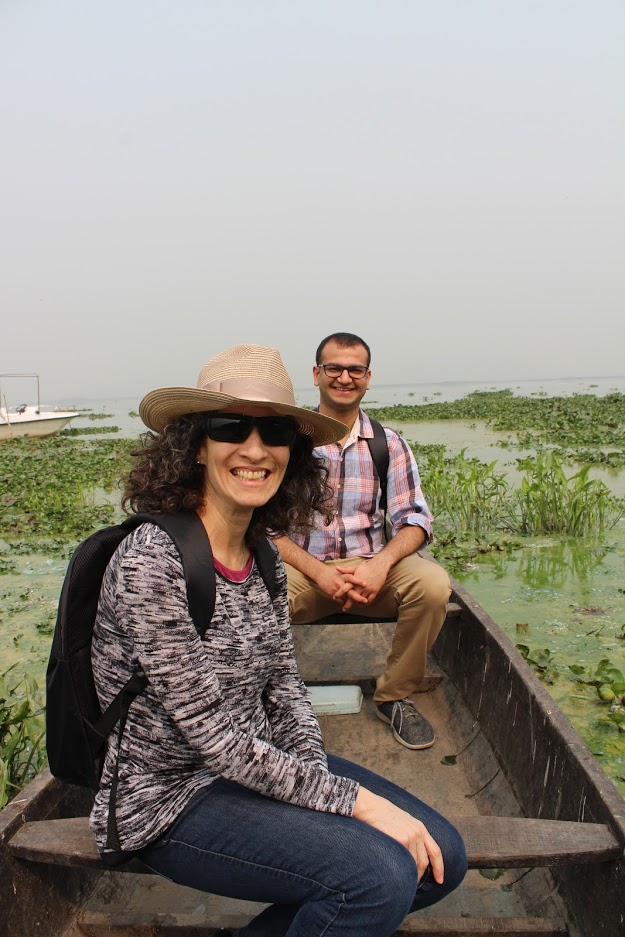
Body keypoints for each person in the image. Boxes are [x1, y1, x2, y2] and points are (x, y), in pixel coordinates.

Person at [90, 343, 466, 937]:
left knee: (443, 859)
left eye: (274, 433)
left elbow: (284, 684)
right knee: (381, 877)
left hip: (261, 765)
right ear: (194, 445)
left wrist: (315, 783)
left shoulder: (263, 552)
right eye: (230, 427)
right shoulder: (153, 562)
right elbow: (212, 738)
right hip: (173, 796)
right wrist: (352, 804)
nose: (255, 449)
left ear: (293, 454)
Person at [274, 332, 451, 751]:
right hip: (305, 572)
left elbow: (415, 520)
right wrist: (318, 573)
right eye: (333, 368)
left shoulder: (388, 443)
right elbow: (264, 528)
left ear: (368, 378)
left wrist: (379, 565)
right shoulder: (288, 442)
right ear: (316, 374)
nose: (344, 378)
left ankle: (394, 695)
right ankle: (273, 698)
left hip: (373, 570)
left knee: (432, 586)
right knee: (250, 595)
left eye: (355, 370)